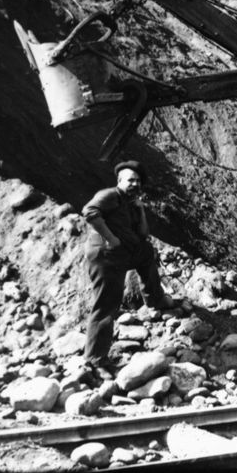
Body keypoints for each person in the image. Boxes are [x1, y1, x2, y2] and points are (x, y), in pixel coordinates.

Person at [82, 160, 173, 373]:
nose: (135, 184)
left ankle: (155, 299)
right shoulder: (110, 195)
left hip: (124, 253)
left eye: (138, 181)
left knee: (147, 252)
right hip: (105, 256)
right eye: (130, 180)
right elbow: (89, 212)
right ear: (120, 181)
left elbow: (143, 234)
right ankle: (95, 360)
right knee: (107, 305)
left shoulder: (130, 203)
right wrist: (111, 239)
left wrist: (140, 211)